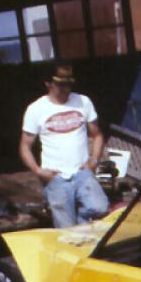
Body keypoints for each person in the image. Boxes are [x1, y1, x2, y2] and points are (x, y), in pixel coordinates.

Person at [19, 64, 109, 229]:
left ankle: (81, 226)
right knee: (66, 229)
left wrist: (94, 161)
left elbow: (97, 135)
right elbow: (25, 146)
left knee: (100, 208)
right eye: (61, 84)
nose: (66, 88)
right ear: (48, 83)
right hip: (56, 178)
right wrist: (38, 171)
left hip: (82, 173)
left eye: (69, 83)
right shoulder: (35, 109)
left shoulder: (83, 102)